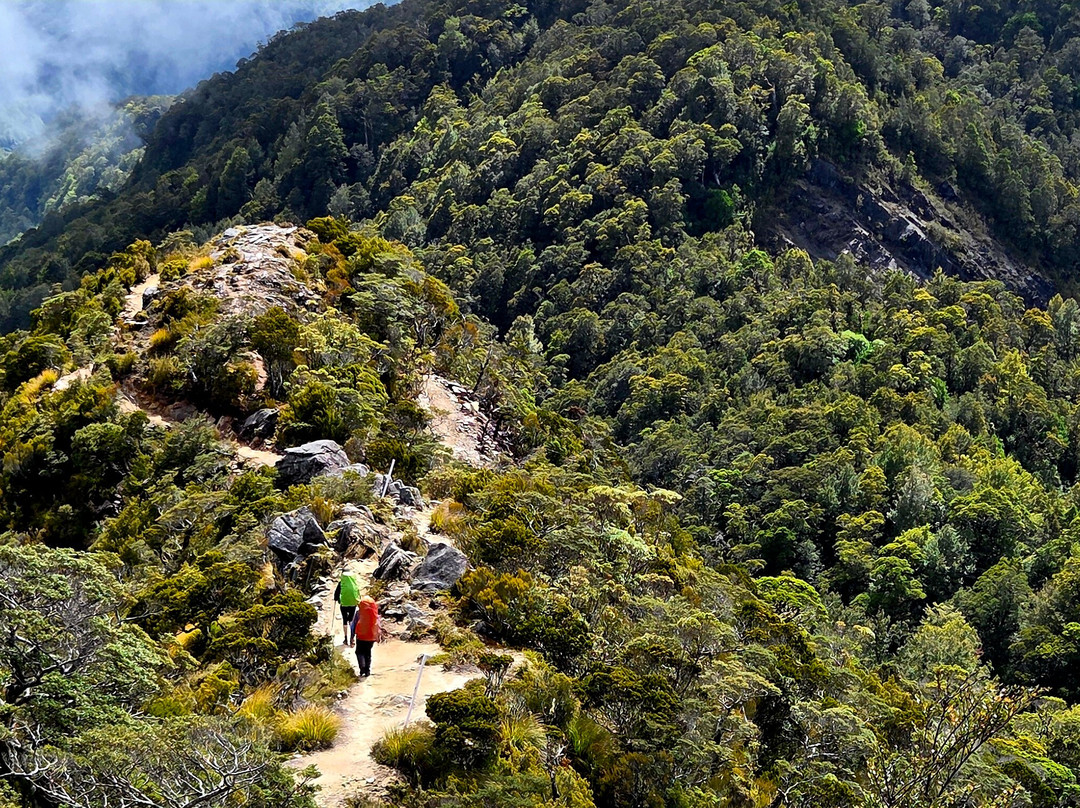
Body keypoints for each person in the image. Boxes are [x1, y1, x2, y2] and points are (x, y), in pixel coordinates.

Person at [351, 595, 382, 677]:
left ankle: (362, 668)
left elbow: (353, 625)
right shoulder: (374, 613)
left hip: (361, 636)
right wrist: (378, 636)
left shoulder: (359, 613)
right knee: (367, 653)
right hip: (371, 636)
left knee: (359, 652)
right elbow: (378, 625)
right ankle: (367, 670)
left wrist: (351, 637)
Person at [333, 570, 360, 647]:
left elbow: (336, 593)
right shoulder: (354, 582)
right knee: (351, 620)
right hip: (353, 604)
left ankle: (345, 639)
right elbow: (357, 592)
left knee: (345, 620)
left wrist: (336, 599)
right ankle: (352, 639)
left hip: (344, 604)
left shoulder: (341, 583)